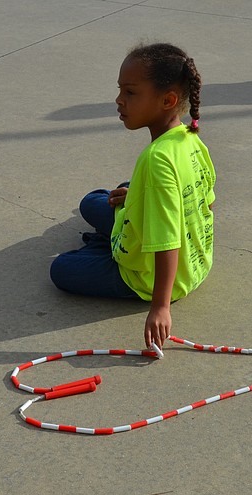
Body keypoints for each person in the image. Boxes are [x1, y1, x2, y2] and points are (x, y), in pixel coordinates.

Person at [50, 43, 216, 350]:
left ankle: (108, 247)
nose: (119, 101)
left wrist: (160, 307)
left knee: (61, 269)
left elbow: (167, 241)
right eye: (120, 91)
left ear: (167, 100)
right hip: (197, 264)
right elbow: (207, 201)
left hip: (151, 278)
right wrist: (135, 195)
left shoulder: (156, 160)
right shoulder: (189, 137)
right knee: (94, 201)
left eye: (130, 93)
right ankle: (115, 228)